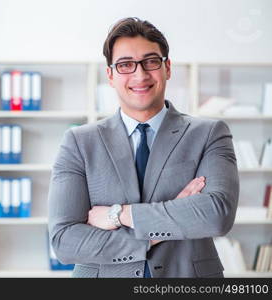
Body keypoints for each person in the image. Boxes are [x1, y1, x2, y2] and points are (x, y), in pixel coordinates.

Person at [47, 17, 239, 278]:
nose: (140, 75)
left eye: (151, 62)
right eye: (126, 65)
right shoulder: (79, 142)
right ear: (111, 75)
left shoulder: (209, 133)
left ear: (167, 68)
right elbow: (64, 241)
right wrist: (157, 231)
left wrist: (118, 214)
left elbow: (216, 215)